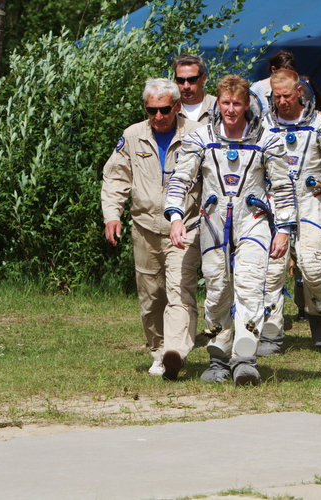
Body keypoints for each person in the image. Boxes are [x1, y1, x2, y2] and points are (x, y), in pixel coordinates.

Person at [165, 74, 295, 385]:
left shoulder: (268, 140)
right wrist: (175, 217)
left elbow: (282, 186)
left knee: (250, 286)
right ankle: (218, 357)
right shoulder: (201, 138)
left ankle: (246, 360)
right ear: (217, 104)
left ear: (247, 104)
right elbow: (180, 180)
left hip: (253, 220)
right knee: (217, 290)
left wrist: (284, 229)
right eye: (226, 103)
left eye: (237, 103)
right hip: (213, 222)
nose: (231, 109)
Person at [101, 78, 202, 380]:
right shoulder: (132, 136)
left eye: (164, 110)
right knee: (151, 297)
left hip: (184, 227)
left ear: (177, 106)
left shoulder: (197, 135)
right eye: (151, 110)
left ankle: (176, 351)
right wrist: (112, 215)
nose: (158, 116)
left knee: (179, 291)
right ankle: (158, 352)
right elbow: (116, 178)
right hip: (144, 228)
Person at [258, 69, 321, 354]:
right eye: (277, 96)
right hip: (276, 202)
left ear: (299, 92)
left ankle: (320, 314)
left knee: (312, 267)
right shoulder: (263, 126)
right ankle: (271, 332)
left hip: (312, 200)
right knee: (273, 270)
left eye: (287, 96)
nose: (283, 101)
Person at [250, 50, 296, 114]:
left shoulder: (296, 86)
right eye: (284, 73)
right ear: (273, 69)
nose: (287, 77)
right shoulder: (257, 90)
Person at [173, 54, 216, 124]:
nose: (186, 86)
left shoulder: (218, 106)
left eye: (192, 80)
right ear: (175, 80)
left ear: (203, 78)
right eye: (180, 80)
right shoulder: (167, 110)